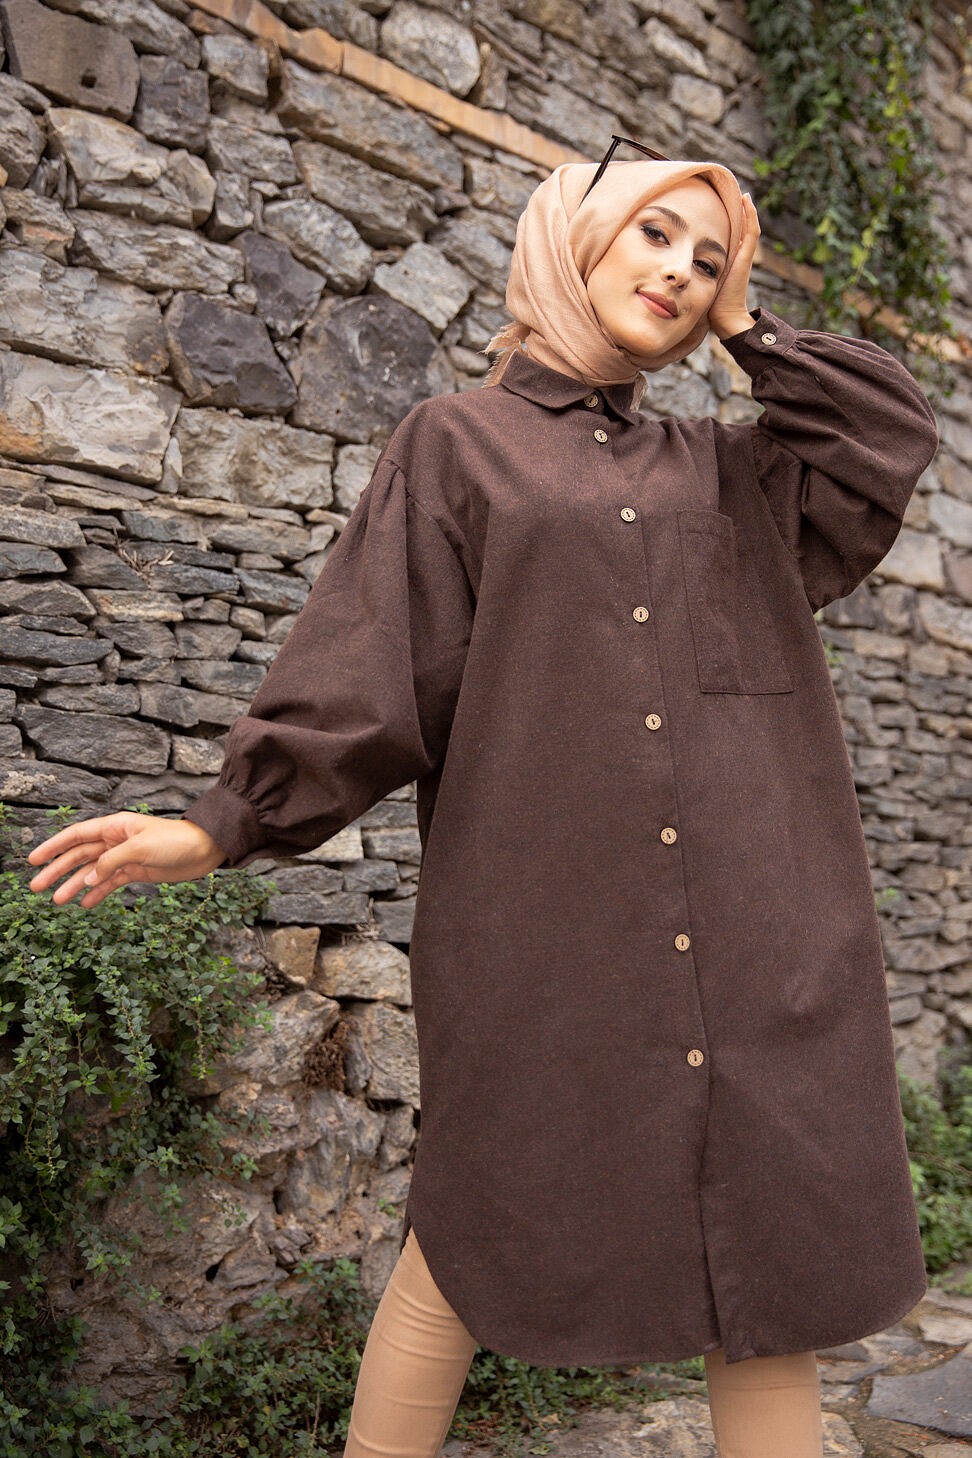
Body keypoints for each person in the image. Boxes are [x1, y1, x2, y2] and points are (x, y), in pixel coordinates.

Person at [26, 144, 939, 1458]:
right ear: (574, 238)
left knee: (768, 1282)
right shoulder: (453, 446)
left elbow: (886, 438)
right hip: (549, 939)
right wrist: (220, 821)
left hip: (761, 940)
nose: (681, 272)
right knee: (465, 1235)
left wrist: (751, 324)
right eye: (655, 234)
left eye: (708, 257)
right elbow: (369, 668)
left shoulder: (736, 474)